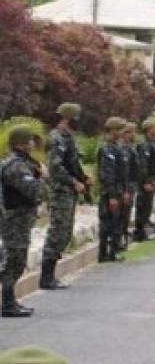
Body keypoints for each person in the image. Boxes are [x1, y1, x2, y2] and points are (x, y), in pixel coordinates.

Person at [41, 103, 92, 291]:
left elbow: (73, 163)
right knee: (57, 232)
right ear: (68, 119)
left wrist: (84, 179)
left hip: (69, 192)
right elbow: (56, 168)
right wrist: (73, 182)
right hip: (60, 191)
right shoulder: (56, 139)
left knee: (65, 232)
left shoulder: (68, 138)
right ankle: (46, 277)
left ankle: (51, 275)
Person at [1, 124, 44, 317]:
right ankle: (8, 304)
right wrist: (43, 177)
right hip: (14, 221)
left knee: (15, 260)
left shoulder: (22, 163)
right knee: (14, 261)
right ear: (19, 144)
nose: (32, 143)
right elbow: (33, 190)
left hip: (19, 220)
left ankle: (10, 301)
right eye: (29, 140)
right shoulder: (16, 166)